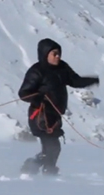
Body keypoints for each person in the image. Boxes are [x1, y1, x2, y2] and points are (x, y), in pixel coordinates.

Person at [18, 38, 99, 175]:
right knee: (52, 147)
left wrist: (93, 80)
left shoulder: (62, 67)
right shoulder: (36, 71)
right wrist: (38, 97)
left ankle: (33, 167)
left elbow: (75, 80)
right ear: (45, 54)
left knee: (52, 148)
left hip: (55, 116)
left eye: (59, 53)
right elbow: (23, 93)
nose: (58, 56)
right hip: (40, 116)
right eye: (54, 54)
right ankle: (48, 173)